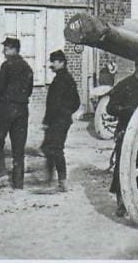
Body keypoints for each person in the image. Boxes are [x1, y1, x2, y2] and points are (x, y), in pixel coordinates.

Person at [106, 63, 138, 216]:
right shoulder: (124, 86)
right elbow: (110, 108)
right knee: (122, 167)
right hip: (127, 131)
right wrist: (125, 110)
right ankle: (121, 202)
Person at [0, 37, 33, 191]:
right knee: (18, 148)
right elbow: (30, 91)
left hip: (5, 109)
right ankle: (18, 185)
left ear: (13, 49)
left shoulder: (7, 65)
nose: (3, 51)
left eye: (6, 49)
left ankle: (1, 173)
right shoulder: (27, 68)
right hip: (22, 110)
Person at [41, 50, 80, 192]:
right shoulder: (63, 78)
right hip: (58, 120)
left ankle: (61, 183)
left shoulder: (63, 80)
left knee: (55, 149)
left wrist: (62, 114)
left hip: (58, 121)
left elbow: (72, 102)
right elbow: (75, 103)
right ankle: (50, 181)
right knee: (49, 148)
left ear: (62, 62)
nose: (51, 65)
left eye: (54, 62)